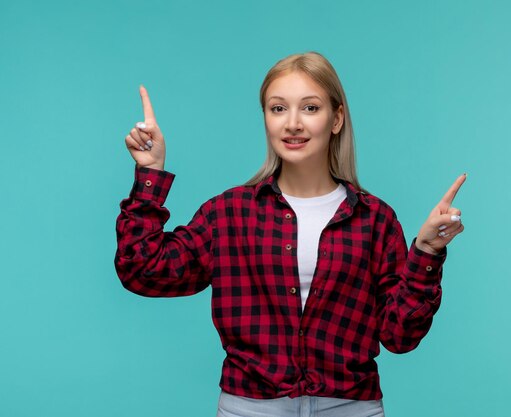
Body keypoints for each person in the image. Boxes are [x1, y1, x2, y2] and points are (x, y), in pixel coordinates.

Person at [115, 51, 466, 417]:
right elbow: (142, 270)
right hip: (250, 408)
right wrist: (151, 173)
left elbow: (400, 336)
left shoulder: (374, 219)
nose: (292, 123)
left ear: (336, 119)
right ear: (265, 118)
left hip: (351, 407)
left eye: (310, 108)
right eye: (278, 108)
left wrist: (426, 252)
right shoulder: (230, 212)